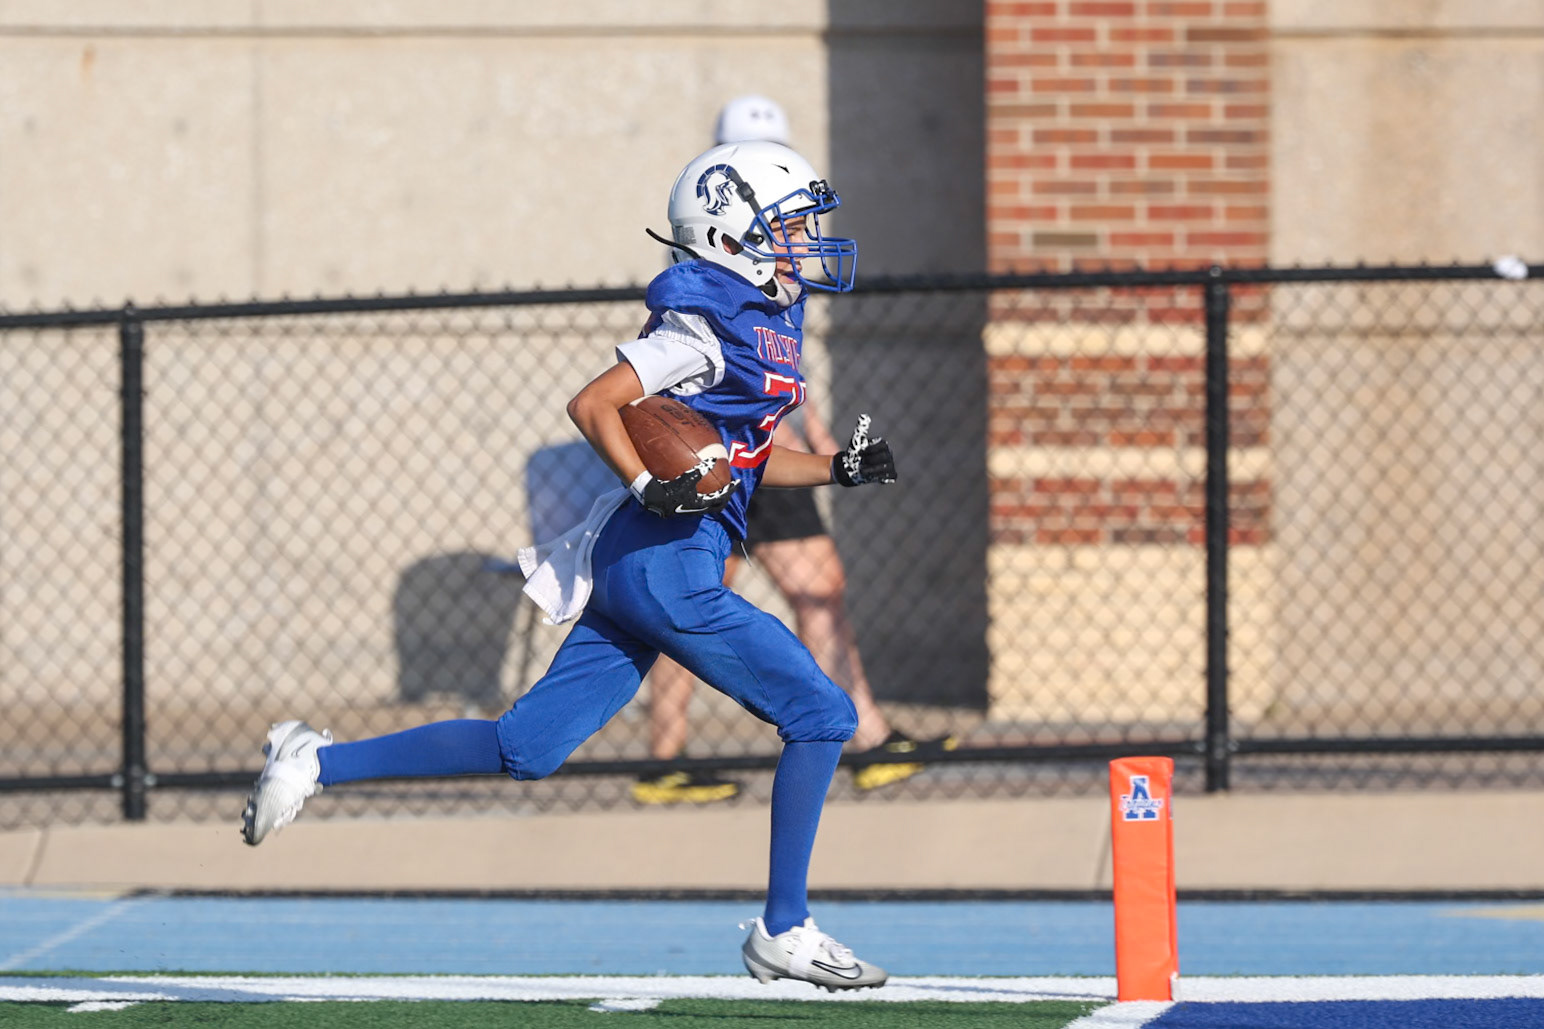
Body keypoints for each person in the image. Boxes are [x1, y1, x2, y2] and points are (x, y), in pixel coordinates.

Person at [241, 139, 894, 991]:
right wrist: (646, 481)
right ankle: (785, 926)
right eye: (792, 224)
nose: (808, 239)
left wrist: (838, 468)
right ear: (733, 232)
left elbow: (739, 460)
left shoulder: (763, 318)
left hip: (646, 560)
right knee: (822, 712)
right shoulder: (704, 320)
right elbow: (595, 403)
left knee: (527, 746)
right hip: (668, 562)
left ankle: (312, 760)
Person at [632, 95, 954, 806]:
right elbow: (719, 369)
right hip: (729, 452)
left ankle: (862, 735)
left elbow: (777, 363)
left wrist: (815, 431)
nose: (802, 229)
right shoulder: (714, 258)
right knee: (697, 601)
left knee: (811, 588)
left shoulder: (780, 253)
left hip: (770, 443)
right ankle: (666, 758)